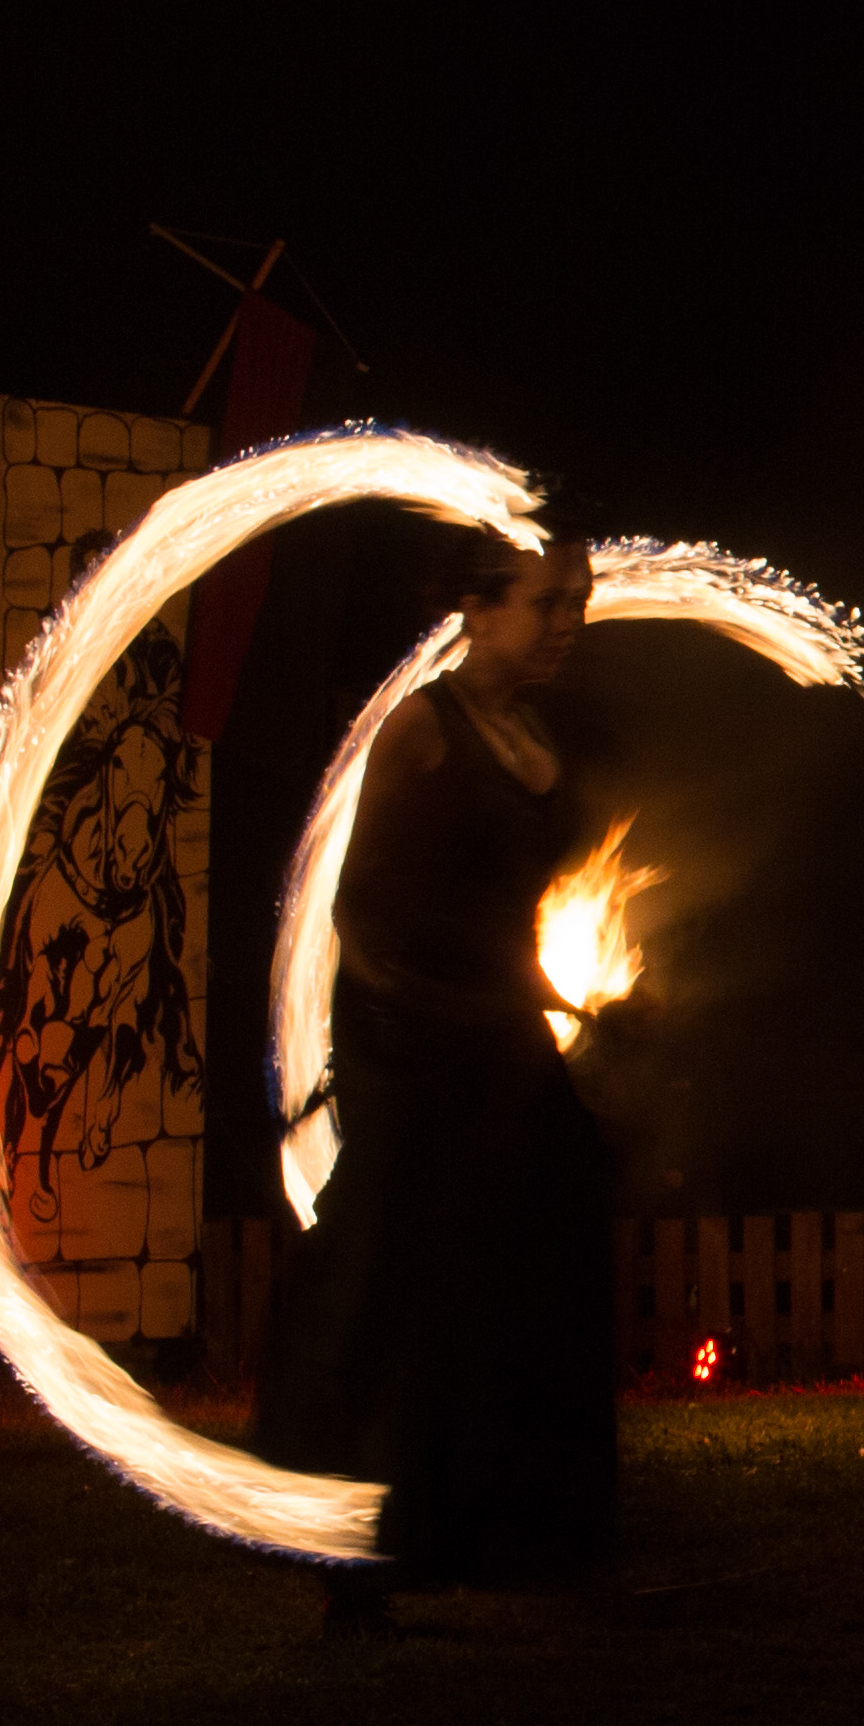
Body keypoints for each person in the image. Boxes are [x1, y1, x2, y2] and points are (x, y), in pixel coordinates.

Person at [257, 523, 616, 1625]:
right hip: (419, 1050)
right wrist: (409, 1027)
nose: (568, 623)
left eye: (579, 600)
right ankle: (359, 1557)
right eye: (547, 602)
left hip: (502, 1043)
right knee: (398, 1294)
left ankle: (508, 1539)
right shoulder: (422, 731)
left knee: (535, 1264)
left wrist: (556, 999)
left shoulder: (532, 732)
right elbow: (360, 911)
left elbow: (502, 915)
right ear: (478, 604)